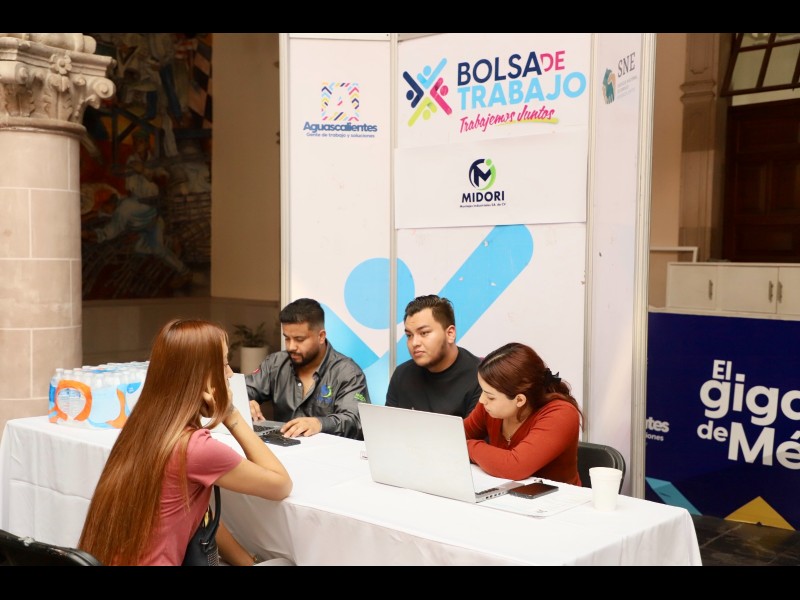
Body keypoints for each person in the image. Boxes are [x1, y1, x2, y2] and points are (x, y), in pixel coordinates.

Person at [78, 318, 293, 566]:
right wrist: (230, 414)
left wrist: (248, 562)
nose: (230, 373)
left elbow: (199, 514)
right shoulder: (195, 448)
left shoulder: (142, 429)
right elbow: (280, 485)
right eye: (224, 364)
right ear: (201, 376)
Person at [246, 298, 370, 440]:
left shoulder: (348, 373)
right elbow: (240, 390)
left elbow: (354, 420)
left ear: (321, 336)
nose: (291, 347)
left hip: (328, 451)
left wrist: (320, 423)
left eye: (299, 339)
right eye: (287, 338)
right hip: (281, 448)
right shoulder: (275, 363)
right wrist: (244, 401)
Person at [464, 342, 583, 485]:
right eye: (483, 391)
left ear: (519, 400)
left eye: (490, 396)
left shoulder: (561, 414)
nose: (482, 400)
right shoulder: (490, 407)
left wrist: (467, 446)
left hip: (556, 497)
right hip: (506, 492)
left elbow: (514, 466)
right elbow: (454, 437)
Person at [385, 294, 481, 417]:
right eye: (409, 335)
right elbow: (388, 426)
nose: (414, 343)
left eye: (424, 333)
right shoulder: (402, 374)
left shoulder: (480, 378)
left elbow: (475, 429)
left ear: (450, 334)